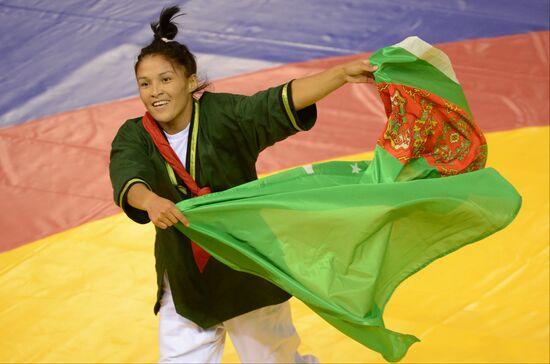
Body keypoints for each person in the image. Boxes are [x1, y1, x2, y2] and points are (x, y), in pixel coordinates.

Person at [109, 6, 377, 363]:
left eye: (166, 79)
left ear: (191, 82)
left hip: (245, 269)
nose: (155, 91)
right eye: (145, 84)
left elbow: (278, 102)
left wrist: (341, 74)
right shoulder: (134, 134)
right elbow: (128, 175)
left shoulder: (225, 115)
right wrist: (150, 201)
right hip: (187, 279)